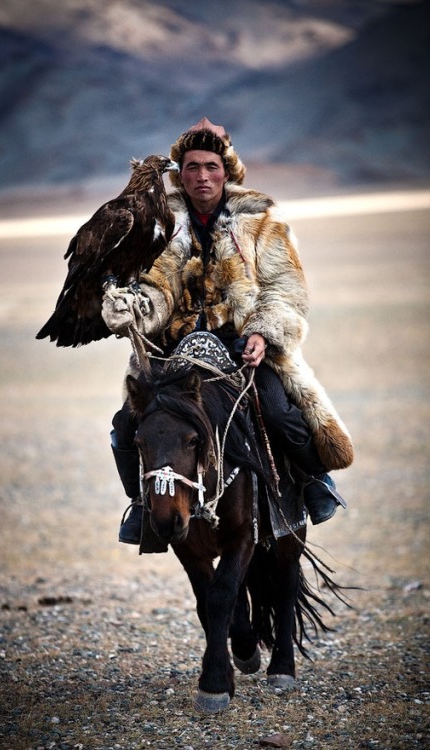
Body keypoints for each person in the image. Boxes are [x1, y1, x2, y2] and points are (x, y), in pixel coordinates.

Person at [102, 117, 354, 544]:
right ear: (179, 173)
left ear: (228, 170)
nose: (202, 176)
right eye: (192, 167)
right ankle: (142, 507)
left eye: (211, 166)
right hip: (173, 355)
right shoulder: (161, 219)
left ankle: (314, 484)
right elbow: (155, 288)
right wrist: (134, 310)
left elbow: (286, 289)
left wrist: (263, 333)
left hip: (243, 349)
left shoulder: (261, 215)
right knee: (126, 425)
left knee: (279, 412)